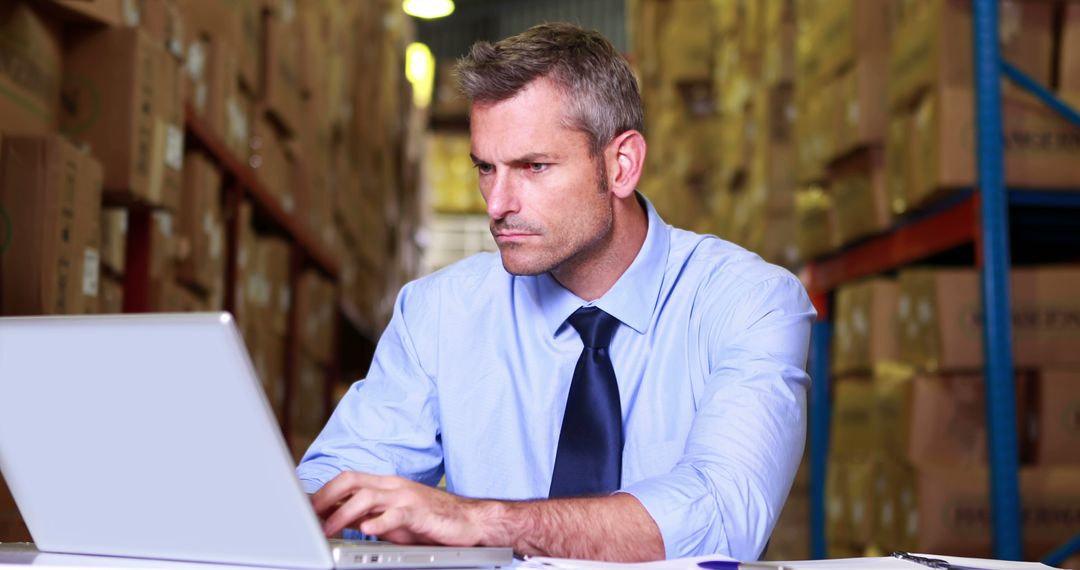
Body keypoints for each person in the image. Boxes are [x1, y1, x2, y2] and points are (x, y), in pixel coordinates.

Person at [297, 22, 815, 563]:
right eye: (485, 168)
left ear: (621, 165)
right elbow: (333, 487)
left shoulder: (749, 303)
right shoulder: (439, 311)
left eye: (533, 167)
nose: (497, 204)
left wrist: (479, 520)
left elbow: (722, 515)